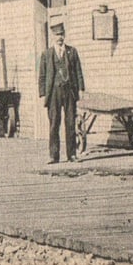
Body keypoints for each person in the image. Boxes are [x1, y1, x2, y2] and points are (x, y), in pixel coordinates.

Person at [38, 23, 86, 164]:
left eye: (61, 34)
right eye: (57, 35)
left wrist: (81, 89)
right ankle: (54, 156)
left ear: (64, 35)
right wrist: (42, 94)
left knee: (70, 123)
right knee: (54, 124)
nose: (60, 38)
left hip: (69, 91)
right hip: (53, 93)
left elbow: (78, 71)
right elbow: (42, 76)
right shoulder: (46, 54)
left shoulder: (72, 52)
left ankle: (72, 155)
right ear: (53, 37)